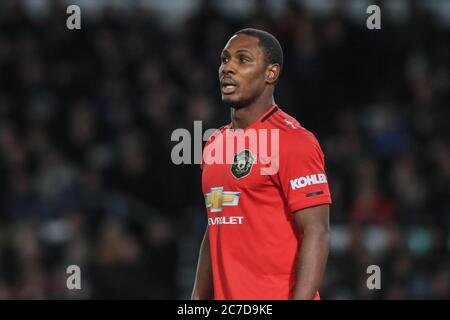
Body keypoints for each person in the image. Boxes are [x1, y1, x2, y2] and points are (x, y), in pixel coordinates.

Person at [191, 28, 332, 300]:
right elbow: (216, 223)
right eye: (224, 59)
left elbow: (317, 231)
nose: (228, 67)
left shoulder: (293, 141)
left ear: (271, 73)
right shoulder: (213, 144)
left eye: (242, 60)